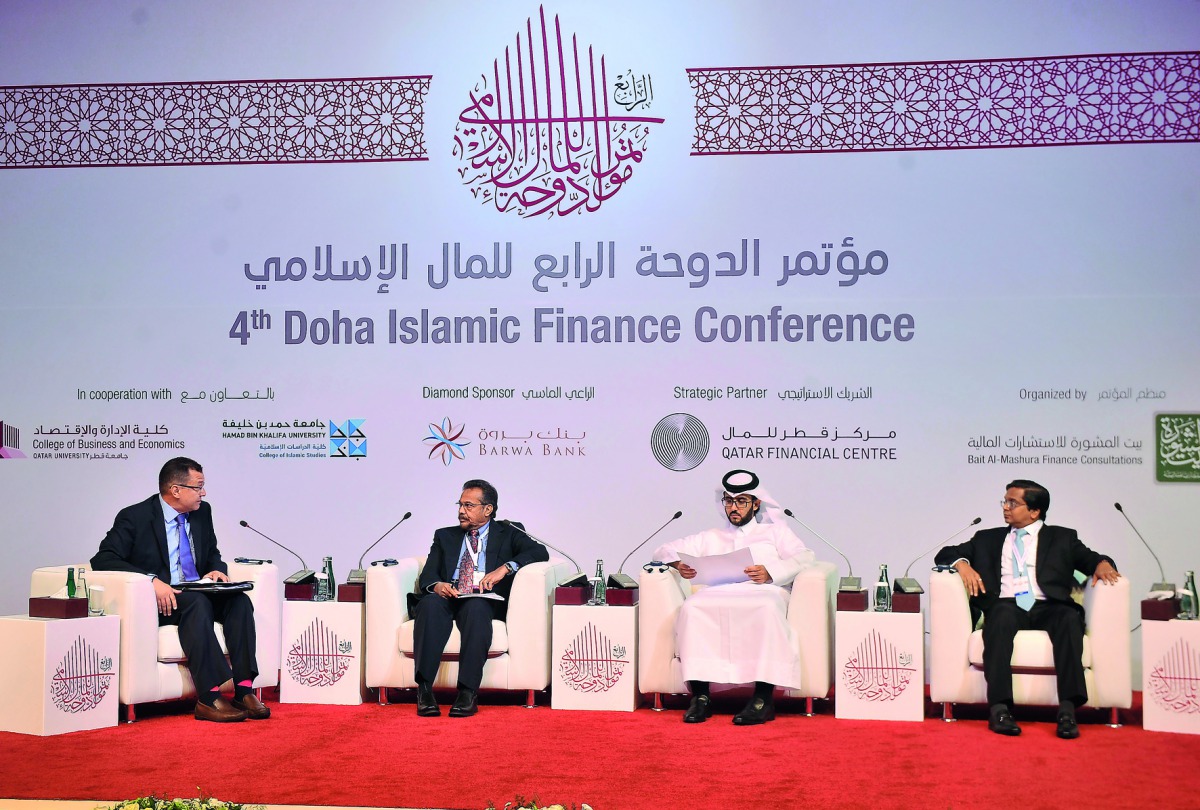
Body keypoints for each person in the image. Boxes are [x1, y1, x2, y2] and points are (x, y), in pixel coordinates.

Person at [934, 479, 1120, 739]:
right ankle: (1000, 709)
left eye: (1013, 502)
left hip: (1050, 605)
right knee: (998, 618)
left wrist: (1103, 563)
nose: (1005, 508)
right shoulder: (987, 538)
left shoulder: (1063, 537)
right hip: (1008, 604)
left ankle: (1067, 710)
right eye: (1005, 501)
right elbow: (945, 553)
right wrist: (962, 564)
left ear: (1035, 511)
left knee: (1068, 618)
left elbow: (1092, 558)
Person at [91, 457, 268, 722]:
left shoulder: (202, 512)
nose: (203, 493)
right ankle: (208, 698)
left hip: (198, 592)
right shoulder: (135, 517)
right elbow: (103, 559)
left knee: (239, 601)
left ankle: (244, 689)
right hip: (164, 600)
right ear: (175, 490)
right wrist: (151, 580)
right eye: (198, 487)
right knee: (197, 603)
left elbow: (211, 554)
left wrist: (217, 570)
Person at [652, 469, 814, 725]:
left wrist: (771, 572)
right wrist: (676, 563)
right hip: (717, 593)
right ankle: (701, 697)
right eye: (729, 501)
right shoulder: (710, 536)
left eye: (741, 501)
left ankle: (763, 699)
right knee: (692, 608)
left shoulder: (776, 533)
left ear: (756, 503)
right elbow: (664, 549)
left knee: (765, 609)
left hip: (764, 593)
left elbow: (805, 557)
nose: (734, 508)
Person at [410, 478, 548, 717]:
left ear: (488, 509)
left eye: (469, 506)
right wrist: (438, 585)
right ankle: (424, 690)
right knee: (430, 605)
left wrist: (505, 568)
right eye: (460, 505)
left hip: (483, 597)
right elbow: (428, 576)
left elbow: (539, 551)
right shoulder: (444, 536)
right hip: (449, 595)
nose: (461, 511)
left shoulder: (509, 531)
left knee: (476, 608)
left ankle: (467, 692)